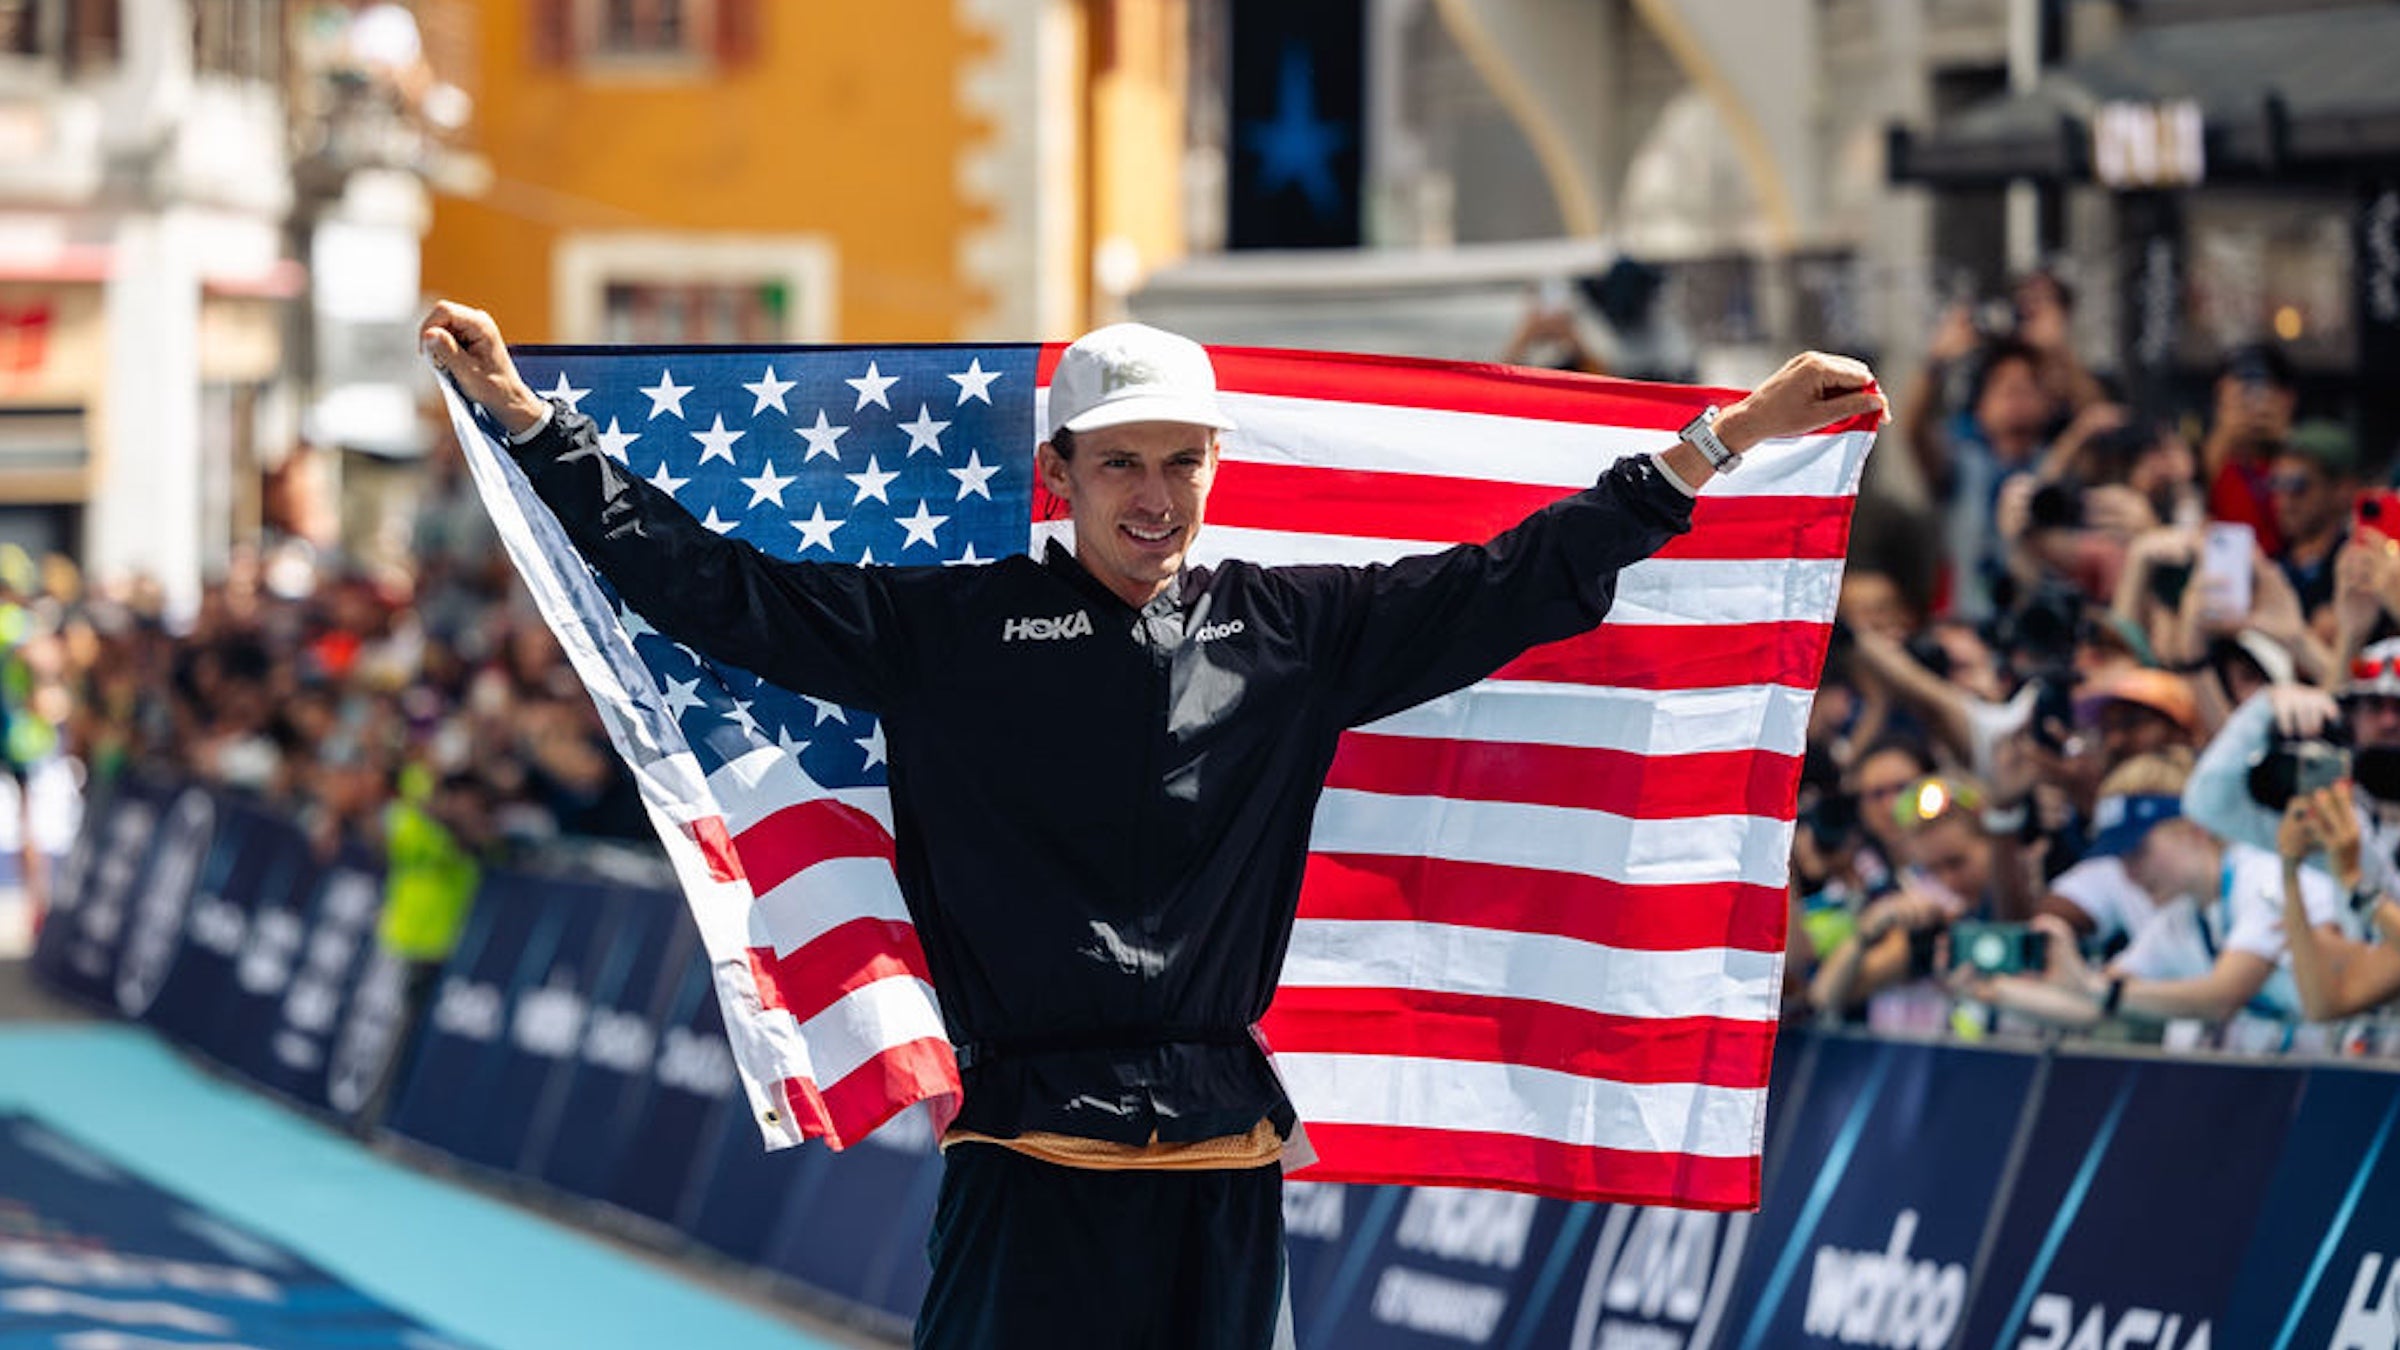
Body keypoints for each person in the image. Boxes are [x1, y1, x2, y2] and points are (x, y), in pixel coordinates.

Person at [419, 300, 1884, 1350]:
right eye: (1122, 461)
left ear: (1215, 472)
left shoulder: (1294, 630)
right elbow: (713, 586)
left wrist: (1721, 440)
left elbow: (1518, 578)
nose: (1156, 493)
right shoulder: (949, 632)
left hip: (1222, 1160)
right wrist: (536, 427)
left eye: (1183, 460)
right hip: (1028, 1151)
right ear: (1057, 477)